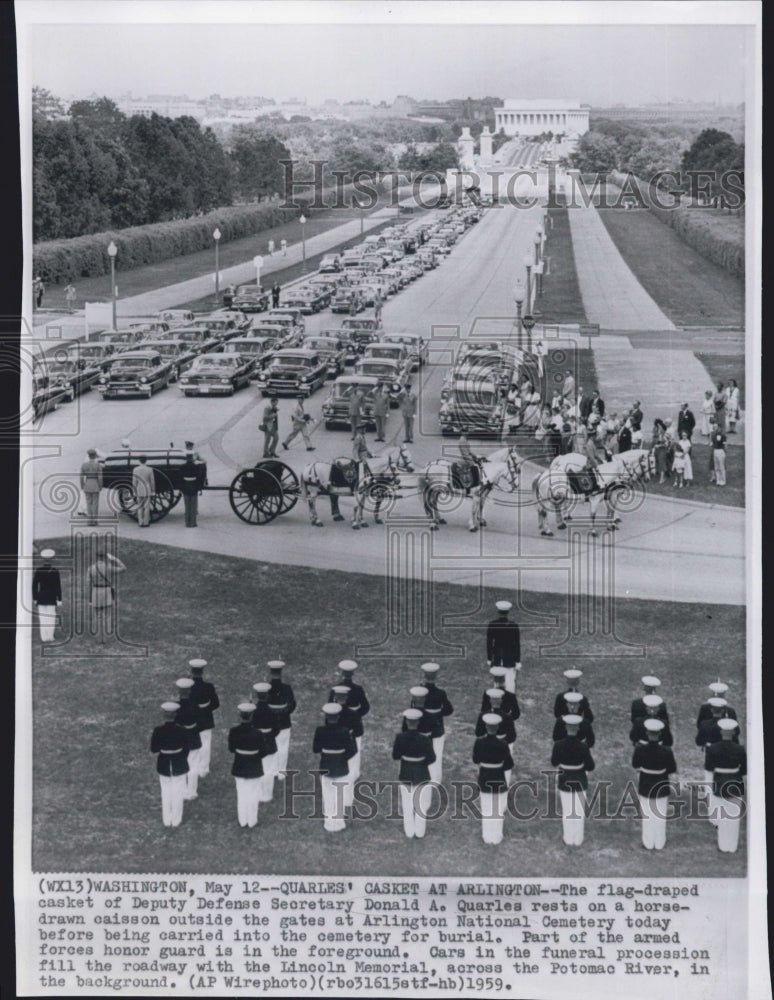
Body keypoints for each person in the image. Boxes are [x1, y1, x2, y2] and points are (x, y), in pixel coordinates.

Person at [633, 719, 677, 850]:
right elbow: (672, 768)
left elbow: (635, 765)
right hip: (661, 783)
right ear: (659, 735)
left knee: (647, 814)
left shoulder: (640, 749)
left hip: (646, 783)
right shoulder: (667, 751)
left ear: (647, 733)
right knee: (660, 814)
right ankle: (659, 843)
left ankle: (648, 842)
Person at [551, 714, 595, 846]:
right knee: (579, 811)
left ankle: (568, 838)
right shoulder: (583, 747)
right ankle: (578, 838)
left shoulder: (558, 745)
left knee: (567, 810)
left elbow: (554, 762)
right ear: (578, 729)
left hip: (565, 779)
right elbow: (591, 766)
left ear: (565, 728)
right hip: (580, 779)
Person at [312, 703, 357, 832]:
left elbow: (315, 749)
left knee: (328, 795)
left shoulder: (320, 730)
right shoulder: (344, 731)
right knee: (340, 795)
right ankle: (338, 822)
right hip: (341, 766)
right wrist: (341, 758)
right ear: (338, 717)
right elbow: (352, 751)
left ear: (326, 716)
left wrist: (327, 753)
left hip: (326, 765)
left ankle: (329, 823)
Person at [392, 708, 435, 839]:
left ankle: (409, 831)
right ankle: (420, 831)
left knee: (407, 803)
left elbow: (395, 756)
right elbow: (432, 758)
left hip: (406, 773)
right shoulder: (425, 739)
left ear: (406, 721)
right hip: (421, 773)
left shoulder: (400, 738)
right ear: (418, 723)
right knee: (421, 804)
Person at [705, 718, 746, 852]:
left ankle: (723, 845)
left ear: (721, 732)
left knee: (722, 815)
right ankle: (732, 846)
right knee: (733, 816)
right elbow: (744, 770)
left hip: (719, 782)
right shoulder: (740, 749)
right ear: (733, 733)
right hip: (735, 782)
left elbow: (709, 767)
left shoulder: (713, 748)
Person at [473, 713, 513, 845]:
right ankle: (496, 836)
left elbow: (475, 759)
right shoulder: (503, 744)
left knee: (486, 807)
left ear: (486, 727)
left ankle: (487, 836)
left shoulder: (479, 742)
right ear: (497, 728)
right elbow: (509, 764)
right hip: (498, 777)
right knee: (497, 807)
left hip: (484, 777)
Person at [150, 701, 191, 828]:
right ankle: (176, 820)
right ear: (175, 715)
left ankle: (167, 820)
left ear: (164, 715)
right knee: (178, 793)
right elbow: (186, 748)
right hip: (179, 763)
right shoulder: (182, 730)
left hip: (164, 764)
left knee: (166, 792)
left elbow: (154, 749)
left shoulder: (158, 731)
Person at [228, 702, 266, 828]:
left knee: (241, 793)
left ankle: (242, 820)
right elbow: (263, 751)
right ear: (252, 715)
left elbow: (231, 749)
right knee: (253, 794)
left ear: (240, 715)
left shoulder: (234, 731)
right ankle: (252, 821)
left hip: (239, 765)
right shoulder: (258, 733)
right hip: (254, 766)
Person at [330, 685, 363, 810]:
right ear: (346, 697)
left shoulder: (332, 713)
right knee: (349, 771)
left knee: (336, 773)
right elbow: (359, 731)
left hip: (335, 745)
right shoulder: (352, 713)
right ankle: (347, 800)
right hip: (349, 744)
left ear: (335, 698)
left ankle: (335, 798)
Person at [419, 663, 453, 783]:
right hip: (438, 727)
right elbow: (449, 710)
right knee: (437, 752)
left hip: (423, 728)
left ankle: (424, 777)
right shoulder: (441, 693)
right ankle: (436, 779)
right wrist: (438, 714)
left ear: (424, 676)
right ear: (435, 677)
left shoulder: (419, 693)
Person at [86, 543, 125, 644]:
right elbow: (123, 568)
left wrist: (89, 599)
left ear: (96, 557)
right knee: (107, 616)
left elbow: (88, 584)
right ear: (105, 557)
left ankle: (99, 638)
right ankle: (106, 638)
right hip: (107, 591)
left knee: (97, 616)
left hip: (95, 591)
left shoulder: (90, 568)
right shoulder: (109, 567)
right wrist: (114, 559)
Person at [189, 659, 219, 777]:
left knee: (194, 744)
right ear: (202, 672)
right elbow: (216, 703)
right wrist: (205, 709)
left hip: (193, 718)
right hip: (206, 717)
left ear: (192, 671)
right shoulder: (208, 686)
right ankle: (204, 769)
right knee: (206, 743)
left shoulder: (189, 686)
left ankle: (194, 766)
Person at [267, 660, 295, 781]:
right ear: (281, 672)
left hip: (270, 722)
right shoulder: (287, 688)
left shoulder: (266, 688)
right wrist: (283, 712)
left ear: (270, 672)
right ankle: (281, 773)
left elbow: (262, 706)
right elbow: (292, 704)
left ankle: (272, 771)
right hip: (284, 722)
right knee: (283, 747)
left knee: (271, 746)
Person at [175, 678, 203, 801]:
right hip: (193, 738)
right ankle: (191, 791)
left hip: (180, 739)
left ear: (179, 692)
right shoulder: (195, 706)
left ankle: (181, 791)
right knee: (193, 765)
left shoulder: (175, 707)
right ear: (190, 691)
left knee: (181, 765)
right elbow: (201, 724)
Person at [251, 682, 279, 803]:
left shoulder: (253, 710)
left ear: (257, 695)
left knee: (257, 769)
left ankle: (258, 793)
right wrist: (269, 736)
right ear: (267, 695)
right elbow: (277, 729)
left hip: (256, 742)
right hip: (269, 742)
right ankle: (267, 794)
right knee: (269, 769)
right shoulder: (271, 711)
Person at [486, 599, 521, 693]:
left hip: (496, 659)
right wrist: (518, 661)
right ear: (508, 612)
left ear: (498, 611)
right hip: (510, 660)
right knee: (510, 685)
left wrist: (489, 658)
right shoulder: (514, 626)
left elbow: (489, 643)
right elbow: (517, 644)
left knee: (497, 684)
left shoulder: (492, 625)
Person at [32, 548, 61, 642]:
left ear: (43, 559)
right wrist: (59, 599)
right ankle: (50, 636)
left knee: (42, 617)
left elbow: (34, 585)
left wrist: (35, 598)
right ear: (52, 559)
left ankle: (44, 637)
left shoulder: (39, 570)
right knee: (51, 617)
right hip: (51, 597)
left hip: (41, 596)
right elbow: (58, 586)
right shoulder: (55, 571)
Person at [80, 449, 104, 525]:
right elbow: (100, 477)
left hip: (87, 484)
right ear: (95, 456)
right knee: (95, 504)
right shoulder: (98, 465)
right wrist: (100, 486)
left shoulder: (84, 465)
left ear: (88, 456)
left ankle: (89, 521)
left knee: (88, 504)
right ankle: (95, 521)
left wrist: (82, 486)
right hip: (95, 484)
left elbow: (81, 477)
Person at [180, 447, 202, 527]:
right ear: (192, 459)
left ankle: (187, 523)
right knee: (193, 506)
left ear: (186, 458)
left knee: (187, 506)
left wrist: (181, 488)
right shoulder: (196, 467)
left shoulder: (182, 467)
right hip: (193, 487)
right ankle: (193, 523)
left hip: (185, 487)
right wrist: (199, 488)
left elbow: (180, 479)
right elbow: (198, 478)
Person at [132, 454, 155, 528]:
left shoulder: (135, 469)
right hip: (147, 489)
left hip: (139, 489)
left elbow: (134, 482)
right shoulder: (149, 469)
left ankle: (140, 522)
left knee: (139, 506)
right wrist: (153, 490)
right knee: (146, 507)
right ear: (146, 460)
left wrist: (134, 491)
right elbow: (152, 481)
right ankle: (146, 522)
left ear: (139, 460)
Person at [651, 419, 669, 484]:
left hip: (662, 450)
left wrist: (659, 446)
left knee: (662, 462)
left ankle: (662, 478)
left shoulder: (665, 435)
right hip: (658, 450)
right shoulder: (659, 435)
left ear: (663, 429)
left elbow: (666, 444)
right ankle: (661, 475)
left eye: (660, 428)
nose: (659, 429)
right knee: (658, 461)